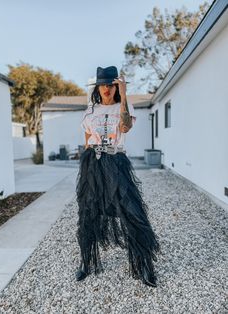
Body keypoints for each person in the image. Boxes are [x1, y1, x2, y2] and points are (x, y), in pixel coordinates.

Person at [75, 66, 160, 287]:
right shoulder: (89, 111)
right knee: (88, 214)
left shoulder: (124, 106)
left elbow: (125, 126)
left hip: (116, 162)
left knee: (132, 212)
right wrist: (85, 170)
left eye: (111, 85)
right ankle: (86, 261)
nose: (106, 88)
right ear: (97, 87)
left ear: (116, 87)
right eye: (103, 84)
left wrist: (123, 95)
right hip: (93, 165)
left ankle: (144, 265)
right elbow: (87, 141)